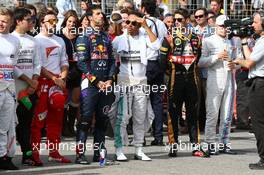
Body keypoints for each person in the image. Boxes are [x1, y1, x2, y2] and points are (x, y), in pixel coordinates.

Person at [159, 8, 208, 158]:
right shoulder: (168, 37)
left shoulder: (196, 37)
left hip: (192, 78)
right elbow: (162, 61)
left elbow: (197, 56)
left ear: (187, 20)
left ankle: (195, 146)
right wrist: (172, 72)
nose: (176, 23)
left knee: (193, 113)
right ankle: (173, 146)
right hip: (175, 79)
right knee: (173, 113)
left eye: (180, 20)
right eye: (175, 20)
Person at [112, 10, 160, 161]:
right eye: (128, 22)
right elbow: (110, 58)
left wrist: (146, 26)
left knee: (140, 117)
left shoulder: (144, 37)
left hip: (141, 82)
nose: (131, 25)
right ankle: (119, 149)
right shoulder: (118, 40)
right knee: (123, 116)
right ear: (124, 24)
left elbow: (157, 45)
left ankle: (139, 149)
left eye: (135, 23)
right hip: (124, 81)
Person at [75, 5, 116, 164]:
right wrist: (96, 81)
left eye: (102, 13)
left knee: (102, 119)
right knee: (85, 120)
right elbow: (82, 63)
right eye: (98, 14)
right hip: (90, 84)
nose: (101, 16)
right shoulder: (84, 36)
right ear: (90, 17)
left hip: (105, 84)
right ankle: (80, 154)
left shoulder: (106, 37)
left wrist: (110, 79)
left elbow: (112, 60)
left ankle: (99, 154)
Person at [30, 10, 71, 165]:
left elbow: (64, 61)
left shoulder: (60, 40)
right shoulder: (36, 40)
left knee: (56, 120)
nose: (54, 23)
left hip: (58, 84)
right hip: (42, 83)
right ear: (42, 22)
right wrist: (54, 78)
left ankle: (54, 152)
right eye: (50, 20)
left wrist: (62, 77)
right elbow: (38, 66)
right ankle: (34, 154)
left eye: (55, 20)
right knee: (38, 121)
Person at [198, 15, 240, 155]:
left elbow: (240, 61)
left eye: (226, 26)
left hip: (229, 79)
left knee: (227, 114)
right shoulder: (208, 41)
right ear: (216, 25)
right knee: (212, 113)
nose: (224, 29)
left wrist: (235, 63)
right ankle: (209, 143)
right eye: (221, 26)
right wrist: (216, 57)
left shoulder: (233, 41)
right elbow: (201, 62)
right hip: (214, 79)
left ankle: (224, 143)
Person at [233, 10, 264, 170]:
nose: (252, 24)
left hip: (260, 84)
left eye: (255, 22)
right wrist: (244, 41)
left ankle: (263, 159)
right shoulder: (260, 41)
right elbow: (250, 58)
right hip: (257, 82)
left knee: (258, 123)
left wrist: (236, 60)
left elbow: (248, 63)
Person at [12, 7, 41, 166]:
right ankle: (6, 155)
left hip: (29, 90)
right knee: (9, 123)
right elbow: (12, 65)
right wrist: (28, 81)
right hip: (13, 87)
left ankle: (27, 154)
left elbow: (37, 63)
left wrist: (34, 81)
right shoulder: (10, 39)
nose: (32, 22)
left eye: (33, 20)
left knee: (25, 122)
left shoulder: (33, 40)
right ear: (18, 21)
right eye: (29, 19)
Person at [140, 0, 167, 146]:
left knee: (142, 100)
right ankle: (158, 137)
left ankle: (141, 136)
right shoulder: (161, 23)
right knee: (157, 101)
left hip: (147, 65)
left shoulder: (143, 23)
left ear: (143, 8)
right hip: (159, 64)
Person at [0, 7, 20, 171]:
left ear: (11, 22)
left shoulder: (15, 41)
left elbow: (14, 66)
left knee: (6, 126)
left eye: (5, 20)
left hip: (9, 87)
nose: (1, 23)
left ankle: (3, 157)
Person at [57, 10, 80, 137]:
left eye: (74, 22)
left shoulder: (79, 36)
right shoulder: (59, 36)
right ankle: (64, 126)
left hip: (77, 69)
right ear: (65, 22)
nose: (71, 24)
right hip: (64, 69)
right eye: (69, 21)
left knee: (76, 98)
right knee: (64, 99)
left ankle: (71, 125)